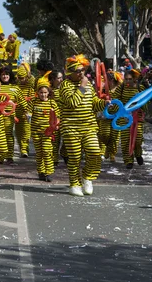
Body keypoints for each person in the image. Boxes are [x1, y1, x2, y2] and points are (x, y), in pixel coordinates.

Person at [59, 55, 107, 196]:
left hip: (89, 126)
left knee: (95, 153)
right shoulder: (65, 86)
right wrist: (82, 87)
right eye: (77, 71)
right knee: (74, 158)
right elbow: (73, 103)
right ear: (70, 72)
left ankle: (87, 177)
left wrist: (104, 104)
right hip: (71, 128)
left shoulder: (88, 85)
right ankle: (74, 184)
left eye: (82, 70)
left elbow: (94, 104)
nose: (81, 73)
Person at [28, 82, 59, 182]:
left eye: (45, 92)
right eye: (41, 92)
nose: (43, 94)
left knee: (47, 151)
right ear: (37, 92)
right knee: (39, 153)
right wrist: (28, 115)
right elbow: (28, 112)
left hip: (47, 132)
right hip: (36, 131)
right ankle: (41, 172)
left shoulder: (52, 103)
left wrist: (56, 124)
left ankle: (48, 172)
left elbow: (58, 117)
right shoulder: (33, 102)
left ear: (48, 93)